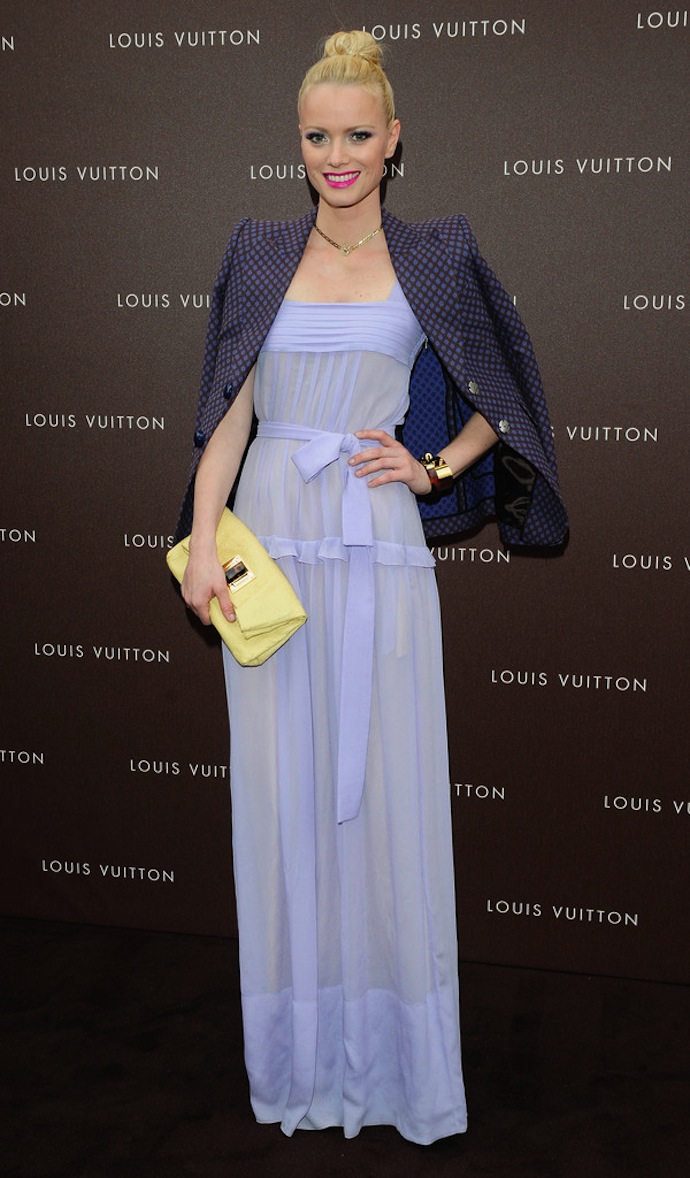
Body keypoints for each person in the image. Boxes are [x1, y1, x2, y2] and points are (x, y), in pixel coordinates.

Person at [176, 30, 567, 1145]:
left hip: (375, 544)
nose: (337, 156)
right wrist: (202, 544)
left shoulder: (436, 254)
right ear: (297, 143)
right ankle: (299, 1061)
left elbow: (511, 393)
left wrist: (435, 464)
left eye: (357, 135)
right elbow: (226, 419)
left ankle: (396, 1071)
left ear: (394, 140)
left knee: (386, 796)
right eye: (317, 136)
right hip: (271, 547)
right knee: (282, 802)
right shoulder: (258, 251)